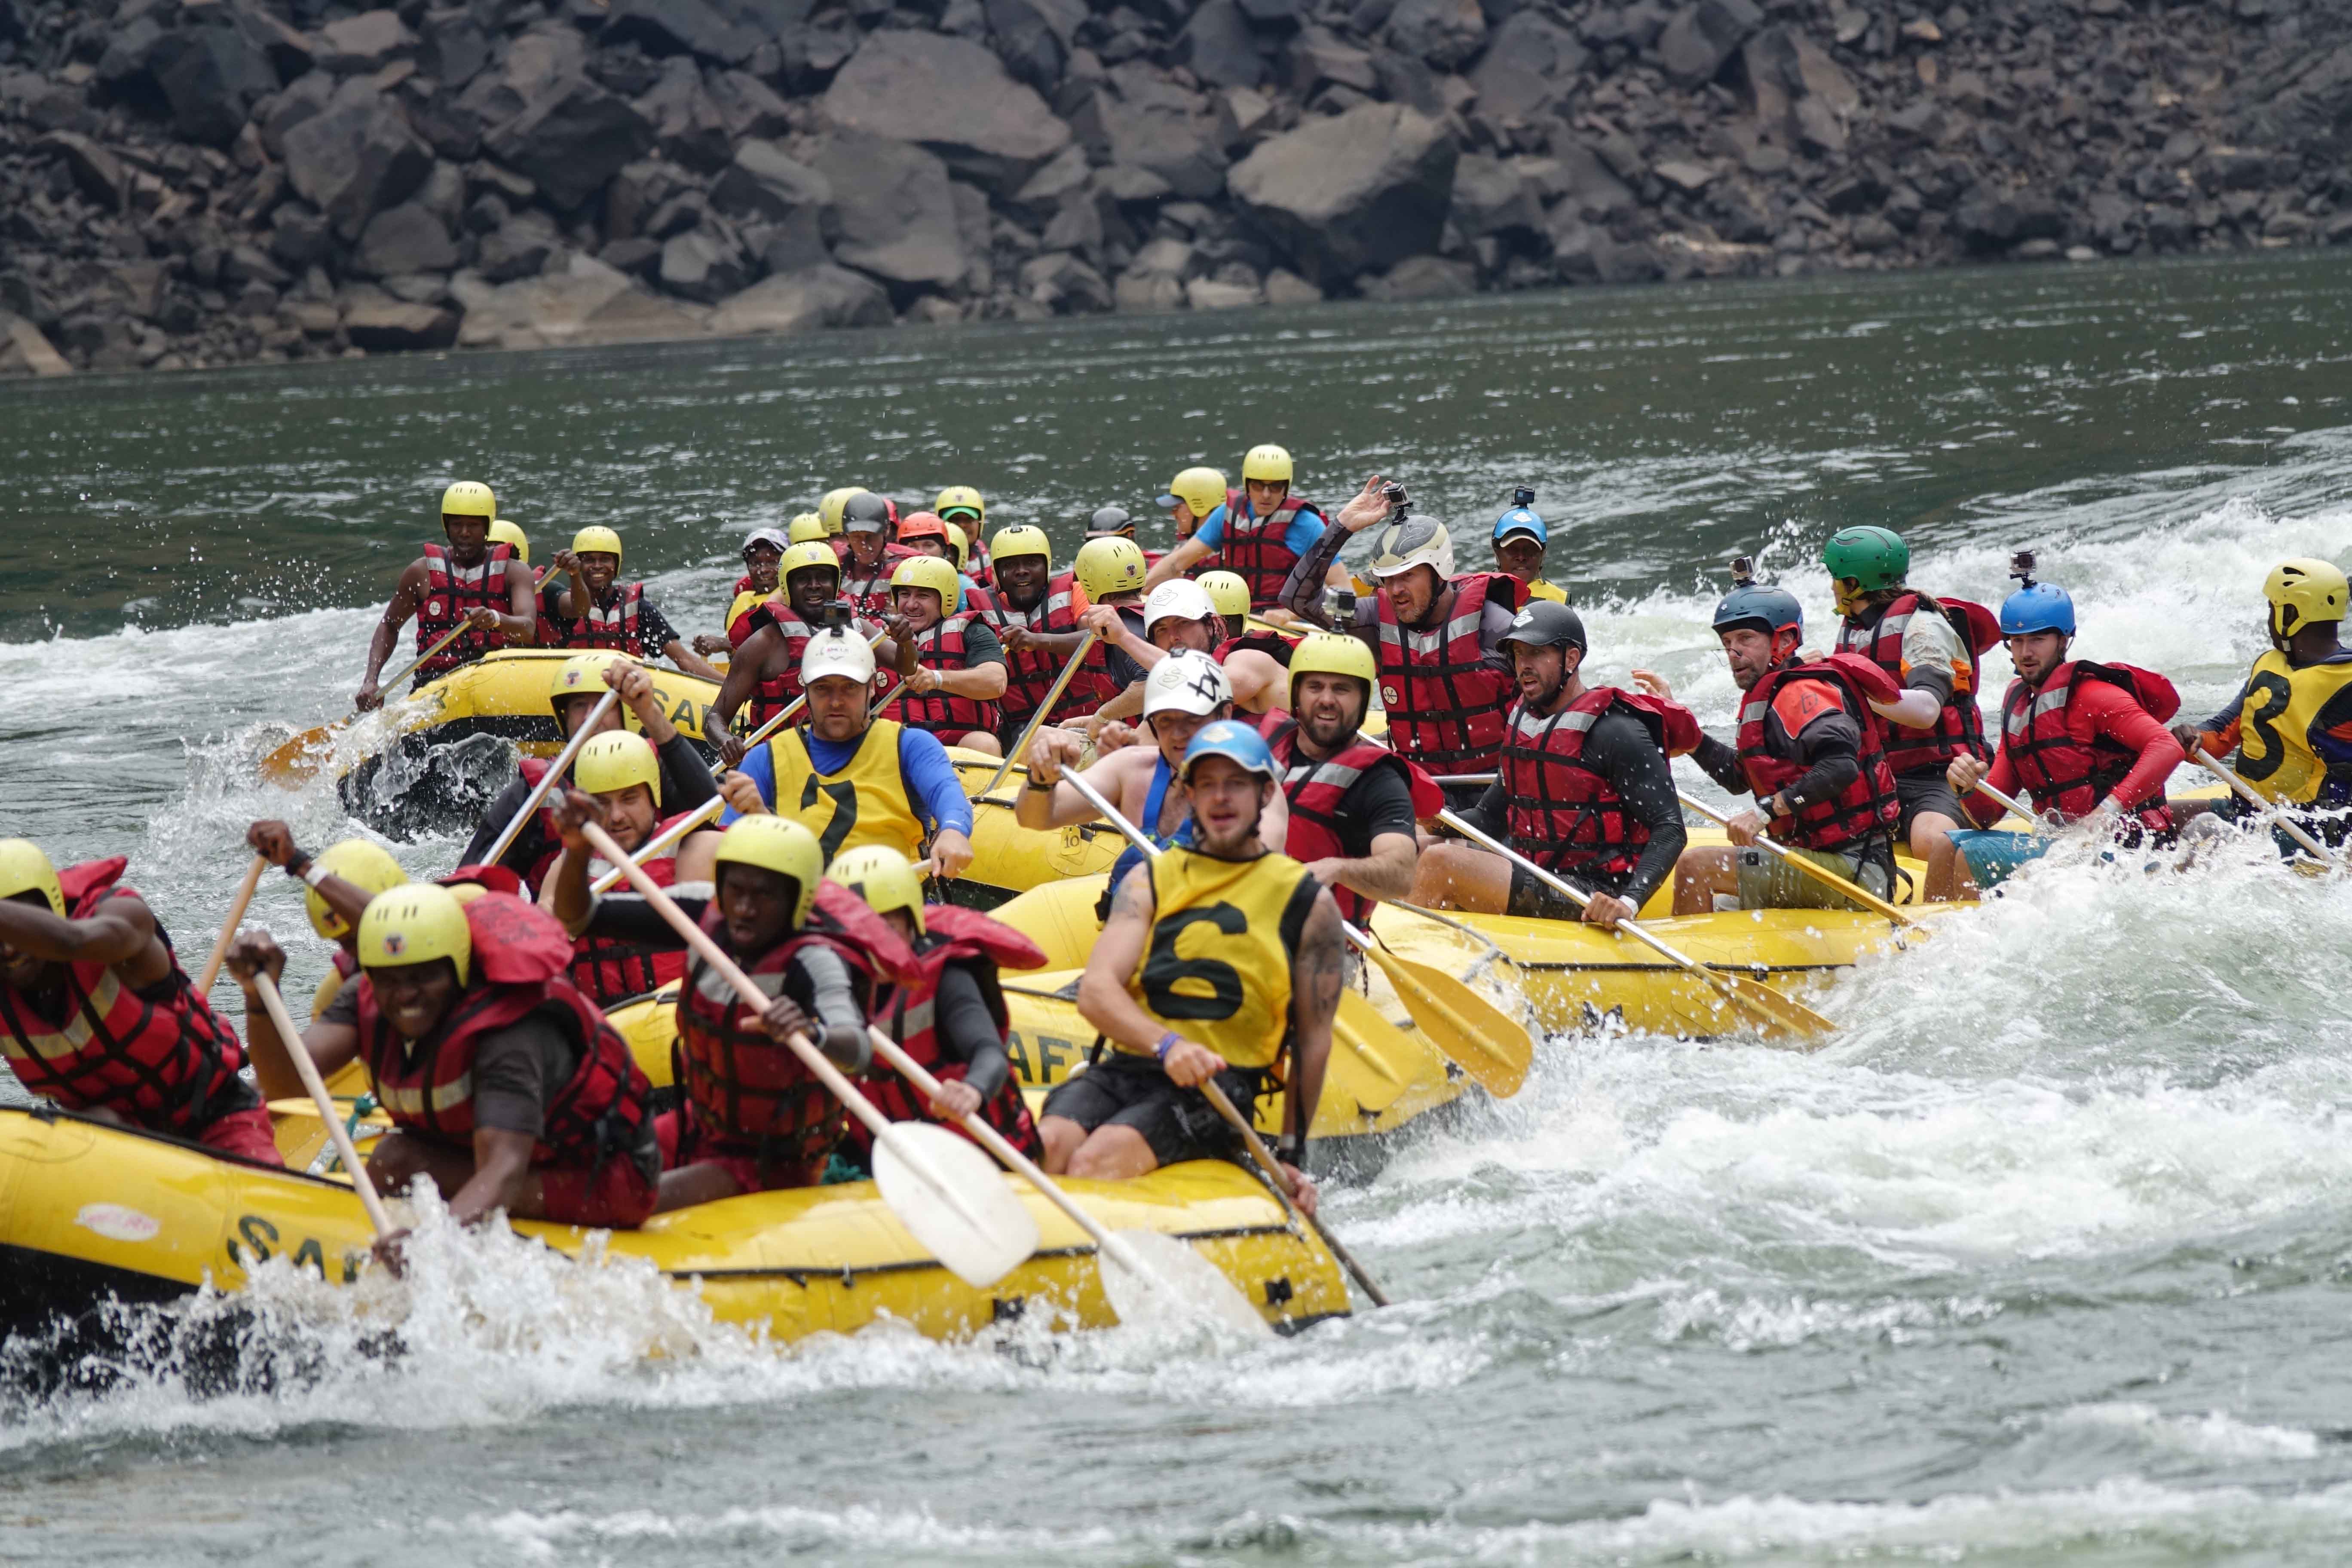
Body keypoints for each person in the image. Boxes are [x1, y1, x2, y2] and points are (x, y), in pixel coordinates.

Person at [228, 884, 658, 1241]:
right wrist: (257, 996)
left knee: (398, 1162)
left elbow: (503, 1169)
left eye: (423, 977)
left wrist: (430, 1247)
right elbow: (286, 1082)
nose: (405, 996)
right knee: (392, 1159)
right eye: (390, 980)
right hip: (516, 1165)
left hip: (602, 1175)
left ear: (459, 972)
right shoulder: (365, 997)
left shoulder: (511, 1032)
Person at [1043, 722, 1343, 1212]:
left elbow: (1313, 1039)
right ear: (1188, 794)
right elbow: (1097, 990)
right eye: (1207, 784)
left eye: (1236, 784)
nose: (1221, 798)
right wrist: (1166, 1045)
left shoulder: (1309, 903)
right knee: (1047, 1147)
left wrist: (1291, 1155)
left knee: (1094, 1163)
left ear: (1265, 792)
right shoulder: (1148, 880)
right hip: (1134, 1064)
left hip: (1220, 1085)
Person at [548, 808, 914, 1207]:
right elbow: (577, 914)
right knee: (570, 1168)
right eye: (736, 890)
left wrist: (812, 1034)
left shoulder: (814, 959)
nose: (744, 908)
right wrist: (578, 851)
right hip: (699, 1125)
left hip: (772, 1161)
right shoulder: (702, 910)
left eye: (764, 896)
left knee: (619, 1201)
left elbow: (857, 1049)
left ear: (798, 898)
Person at [1412, 602, 1695, 925]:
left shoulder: (1616, 730)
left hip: (1591, 893)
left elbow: (1671, 829)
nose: (1523, 666)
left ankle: (1396, 955)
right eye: (1518, 654)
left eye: (1536, 653)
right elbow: (1488, 818)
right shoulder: (1526, 723)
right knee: (1411, 846)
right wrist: (1437, 819)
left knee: (1441, 861)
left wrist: (1629, 902)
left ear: (1571, 659)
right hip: (1534, 872)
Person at [0, 840, 279, 1164]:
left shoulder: (122, 920)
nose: (9, 949)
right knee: (100, 1121)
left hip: (215, 1115)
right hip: (113, 1137)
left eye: (19, 928)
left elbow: (74, 941)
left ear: (55, 909)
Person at [1670, 577, 1905, 913]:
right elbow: (1741, 779)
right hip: (1816, 859)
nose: (1734, 654)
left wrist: (1764, 813)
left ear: (1786, 639)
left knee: (1697, 867)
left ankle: (1680, 966)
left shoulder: (1802, 693)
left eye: (1746, 639)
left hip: (1857, 870)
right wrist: (1692, 740)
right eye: (1727, 642)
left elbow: (1841, 766)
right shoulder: (1768, 697)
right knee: (1724, 908)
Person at [1288, 483, 1524, 793]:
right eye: (1388, 580)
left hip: (1495, 790)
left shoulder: (1496, 626)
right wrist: (1343, 526)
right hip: (1417, 791)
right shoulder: (1373, 619)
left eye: (1408, 576)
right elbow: (1298, 598)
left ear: (1439, 572)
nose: (1396, 590)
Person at [825, 844, 1044, 1163]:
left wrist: (973, 1090)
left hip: (976, 1156)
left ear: (912, 922)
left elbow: (989, 1052)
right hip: (887, 1158)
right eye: (859, 935)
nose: (875, 948)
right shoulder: (832, 981)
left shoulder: (945, 976)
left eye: (887, 930)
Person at [1021, 652, 1287, 910]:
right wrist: (1042, 778)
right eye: (1166, 721)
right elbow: (1036, 818)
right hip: (1141, 927)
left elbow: (1254, 875)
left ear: (1225, 714)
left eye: (1193, 719)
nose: (1179, 734)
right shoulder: (1132, 767)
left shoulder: (1257, 786)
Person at [1819, 527, 1999, 901]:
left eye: (1836, 579)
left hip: (1940, 776)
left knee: (1929, 842)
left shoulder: (1923, 626)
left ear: (1853, 583)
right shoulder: (1856, 628)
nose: (1832, 587)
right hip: (1881, 777)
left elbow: (1927, 710)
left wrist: (1851, 691)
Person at [719, 623, 977, 879]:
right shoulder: (765, 759)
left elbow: (948, 795)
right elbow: (726, 850)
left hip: (894, 908)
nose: (836, 701)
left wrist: (953, 831)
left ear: (872, 687)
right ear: (806, 692)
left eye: (850, 687)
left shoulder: (911, 747)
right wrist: (759, 821)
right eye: (822, 688)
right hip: (804, 909)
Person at [1947, 573, 2184, 847]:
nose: (2025, 653)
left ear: (2063, 641)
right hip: (2063, 844)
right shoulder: (2019, 705)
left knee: (1965, 857)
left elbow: (2166, 746)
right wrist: (1966, 788)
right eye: (2017, 641)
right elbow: (1987, 817)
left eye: (2037, 640)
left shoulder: (2095, 696)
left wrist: (2104, 814)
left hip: (2126, 842)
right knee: (1948, 846)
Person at [461, 655, 720, 891]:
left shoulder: (657, 770)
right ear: (565, 720)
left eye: (602, 706)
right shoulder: (534, 793)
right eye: (579, 706)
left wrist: (649, 714)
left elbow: (708, 808)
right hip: (572, 929)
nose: (590, 717)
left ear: (626, 715)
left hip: (653, 925)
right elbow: (470, 881)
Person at [534, 730, 726, 1007]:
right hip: (609, 1025)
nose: (616, 816)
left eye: (629, 798)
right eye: (602, 803)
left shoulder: (696, 846)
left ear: (653, 797)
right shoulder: (569, 867)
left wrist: (758, 812)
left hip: (680, 1015)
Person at [1257, 632, 1434, 929]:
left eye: (1342, 689)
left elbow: (1402, 874)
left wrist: (1337, 869)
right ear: (1297, 693)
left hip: (1322, 943)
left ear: (1363, 700)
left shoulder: (1380, 781)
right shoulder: (1264, 743)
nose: (1327, 700)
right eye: (1315, 687)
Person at [2173, 557, 2352, 851]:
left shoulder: (2347, 682)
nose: (2269, 619)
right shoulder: (2272, 666)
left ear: (2292, 614)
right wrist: (2190, 737)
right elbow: (2219, 736)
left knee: (2201, 836)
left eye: (2274, 609)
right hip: (2249, 815)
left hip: (2310, 834)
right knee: (2146, 821)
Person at [355, 480, 537, 710]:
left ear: (487, 527)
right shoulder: (421, 572)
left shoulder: (515, 572)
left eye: (473, 525)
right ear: (446, 526)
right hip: (435, 684)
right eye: (457, 525)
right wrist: (371, 680)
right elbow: (390, 626)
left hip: (496, 682)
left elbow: (528, 626)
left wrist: (496, 619)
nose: (464, 533)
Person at [241, 824, 410, 1024]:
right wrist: (259, 996)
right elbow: (294, 1056)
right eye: (345, 943)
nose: (362, 953)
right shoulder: (340, 989)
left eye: (358, 936)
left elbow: (386, 925)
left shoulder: (450, 930)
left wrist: (300, 865)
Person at [1145, 444, 1343, 609]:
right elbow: (1176, 563)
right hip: (1235, 614)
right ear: (1247, 485)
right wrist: (1140, 594)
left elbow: (1342, 587)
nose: (1266, 495)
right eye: (1258, 486)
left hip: (1280, 623)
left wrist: (1292, 614)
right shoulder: (1226, 515)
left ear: (1286, 487)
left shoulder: (1308, 525)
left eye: (1275, 487)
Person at [711, 540, 867, 744]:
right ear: (787, 587)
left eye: (823, 578)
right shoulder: (764, 643)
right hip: (784, 760)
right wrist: (725, 740)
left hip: (849, 751)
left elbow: (905, 667)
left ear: (835, 584)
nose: (814, 586)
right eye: (803, 579)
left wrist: (904, 641)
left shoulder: (858, 629)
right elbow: (715, 718)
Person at [967, 524, 1100, 750]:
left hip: (1086, 718)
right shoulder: (977, 608)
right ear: (997, 573)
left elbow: (1096, 641)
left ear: (1046, 566)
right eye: (1010, 565)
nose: (1022, 571)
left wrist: (1036, 641)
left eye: (1031, 563)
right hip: (1020, 728)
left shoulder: (1074, 591)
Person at [540, 526, 723, 680]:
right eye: (589, 560)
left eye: (605, 559)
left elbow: (684, 660)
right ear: (578, 565)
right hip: (577, 689)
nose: (597, 566)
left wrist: (733, 686)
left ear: (616, 565)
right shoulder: (564, 605)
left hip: (628, 692)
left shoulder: (639, 608)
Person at [879, 554, 1008, 756]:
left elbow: (996, 681)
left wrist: (936, 679)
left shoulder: (973, 631)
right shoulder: (878, 639)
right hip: (899, 750)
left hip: (960, 750)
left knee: (983, 743)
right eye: (904, 594)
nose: (911, 605)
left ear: (946, 598)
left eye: (923, 596)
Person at [1071, 536, 1157, 726]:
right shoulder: (1150, 613)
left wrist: (1101, 718)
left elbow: (1151, 684)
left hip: (1138, 743)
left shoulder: (1123, 629)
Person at [694, 526, 789, 658]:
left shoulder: (790, 598)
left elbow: (773, 648)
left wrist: (724, 644)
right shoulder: (742, 599)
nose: (763, 570)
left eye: (772, 562)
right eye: (756, 563)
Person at [839, 492, 909, 619]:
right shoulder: (835, 564)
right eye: (856, 537)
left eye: (870, 536)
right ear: (847, 535)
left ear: (886, 530)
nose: (864, 545)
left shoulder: (900, 571)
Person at [1492, 494, 1567, 603]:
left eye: (1530, 550)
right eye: (1512, 550)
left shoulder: (1559, 601)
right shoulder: (1478, 593)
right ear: (1497, 553)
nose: (1521, 557)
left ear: (1542, 555)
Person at [1155, 466, 1231, 571]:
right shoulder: (1184, 546)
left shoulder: (1229, 554)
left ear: (1199, 507)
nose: (1173, 514)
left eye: (1177, 508)